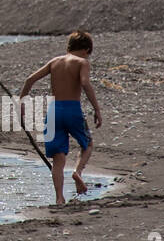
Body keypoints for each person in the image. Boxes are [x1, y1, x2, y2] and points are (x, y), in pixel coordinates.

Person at [19, 31, 102, 205]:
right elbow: (85, 83)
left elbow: (29, 80)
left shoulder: (55, 62)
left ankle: (59, 198)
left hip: (54, 111)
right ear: (87, 49)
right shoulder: (82, 62)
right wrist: (96, 109)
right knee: (87, 144)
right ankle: (77, 172)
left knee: (58, 158)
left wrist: (22, 104)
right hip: (72, 110)